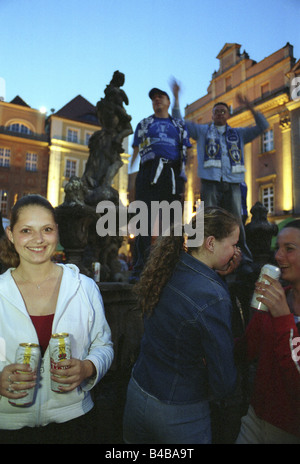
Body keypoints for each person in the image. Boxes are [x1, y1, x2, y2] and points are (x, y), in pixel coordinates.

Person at [0, 194, 114, 444]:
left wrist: (88, 367)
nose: (38, 239)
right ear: (11, 235)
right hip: (8, 427)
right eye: (26, 230)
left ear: (57, 233)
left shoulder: (84, 288)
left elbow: (103, 345)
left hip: (74, 423)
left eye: (47, 229)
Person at [123, 206, 241, 444]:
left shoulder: (168, 265)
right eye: (233, 244)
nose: (236, 251)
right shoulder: (212, 295)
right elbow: (223, 379)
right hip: (179, 411)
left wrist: (217, 275)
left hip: (138, 390)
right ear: (210, 243)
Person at [171, 79, 269, 270]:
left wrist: (250, 106)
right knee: (209, 219)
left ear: (228, 115)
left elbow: (263, 126)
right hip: (210, 181)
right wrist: (175, 97)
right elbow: (179, 123)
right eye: (216, 111)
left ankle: (244, 259)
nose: (219, 114)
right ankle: (203, 257)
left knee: (236, 220)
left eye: (223, 111)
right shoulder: (202, 131)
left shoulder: (238, 134)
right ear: (213, 115)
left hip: (233, 182)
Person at [235, 220, 300, 444]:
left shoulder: (281, 307)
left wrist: (284, 318)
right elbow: (248, 348)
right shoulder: (280, 296)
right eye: (278, 248)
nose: (279, 257)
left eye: (289, 249)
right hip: (255, 417)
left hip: (289, 429)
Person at [129, 87, 192, 282]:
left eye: (160, 97)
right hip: (148, 171)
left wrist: (185, 181)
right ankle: (140, 267)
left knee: (172, 222)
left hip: (171, 173)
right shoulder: (144, 123)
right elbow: (135, 152)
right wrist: (130, 178)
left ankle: (172, 267)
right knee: (144, 220)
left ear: (168, 101)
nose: (156, 100)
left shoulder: (178, 125)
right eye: (154, 98)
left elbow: (187, 154)